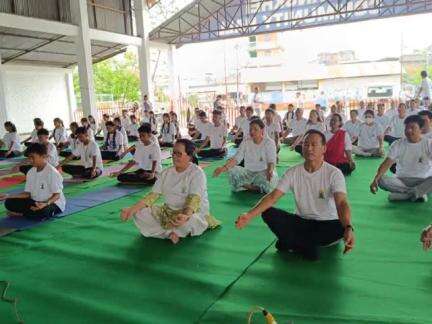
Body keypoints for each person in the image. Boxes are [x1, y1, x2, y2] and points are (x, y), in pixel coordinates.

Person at [234, 130, 355, 261]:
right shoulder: (293, 172)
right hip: (301, 222)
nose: (309, 148)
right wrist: (249, 215)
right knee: (268, 212)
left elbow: (341, 202)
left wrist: (348, 227)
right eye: (306, 144)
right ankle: (305, 244)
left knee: (339, 228)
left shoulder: (334, 173)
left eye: (314, 144)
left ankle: (294, 242)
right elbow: (273, 197)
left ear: (324, 148)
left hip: (327, 224)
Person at [120, 139, 220, 244]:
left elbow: (194, 199)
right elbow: (152, 196)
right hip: (168, 212)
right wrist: (131, 210)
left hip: (191, 213)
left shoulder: (197, 173)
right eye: (174, 153)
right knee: (139, 213)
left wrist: (185, 216)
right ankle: (170, 233)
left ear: (189, 156)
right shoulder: (166, 173)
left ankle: (168, 232)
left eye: (179, 154)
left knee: (191, 221)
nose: (175, 156)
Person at [370, 115, 432, 202]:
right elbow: (387, 163)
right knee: (381, 180)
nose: (408, 130)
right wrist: (375, 179)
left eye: (412, 127)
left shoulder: (428, 144)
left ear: (421, 129)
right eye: (406, 128)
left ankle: (406, 195)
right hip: (401, 180)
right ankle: (417, 194)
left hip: (423, 181)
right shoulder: (398, 144)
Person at [0, 143, 65, 219]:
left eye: (32, 157)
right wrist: (9, 195)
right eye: (29, 158)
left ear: (43, 156)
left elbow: (57, 195)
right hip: (36, 202)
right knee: (9, 202)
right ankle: (30, 213)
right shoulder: (31, 172)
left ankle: (21, 214)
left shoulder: (52, 172)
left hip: (52, 203)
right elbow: (27, 194)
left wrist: (45, 203)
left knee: (43, 212)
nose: (30, 160)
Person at [213, 119, 278, 194]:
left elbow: (271, 160)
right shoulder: (246, 142)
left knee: (271, 178)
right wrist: (223, 168)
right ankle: (255, 187)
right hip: (248, 172)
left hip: (263, 172)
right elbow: (237, 158)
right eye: (250, 129)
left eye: (255, 129)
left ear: (262, 130)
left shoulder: (269, 142)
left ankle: (249, 186)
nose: (252, 132)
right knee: (231, 170)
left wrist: (270, 170)